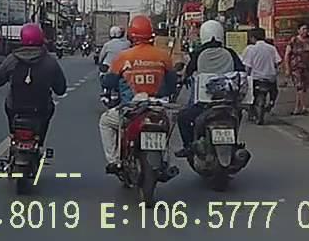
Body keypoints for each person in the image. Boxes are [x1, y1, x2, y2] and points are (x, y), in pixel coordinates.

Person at [98, 14, 177, 174]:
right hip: (157, 107)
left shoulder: (124, 57)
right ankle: (166, 161)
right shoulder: (163, 56)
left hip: (131, 109)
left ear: (131, 35)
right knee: (166, 127)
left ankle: (114, 161)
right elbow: (172, 84)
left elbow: (109, 82)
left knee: (105, 121)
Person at [174, 19, 245, 157]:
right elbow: (241, 71)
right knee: (238, 115)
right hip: (229, 102)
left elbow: (188, 72)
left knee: (183, 117)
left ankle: (189, 147)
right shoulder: (230, 53)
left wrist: (183, 79)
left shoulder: (198, 53)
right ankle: (233, 142)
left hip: (205, 103)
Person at [0, 23, 67, 139]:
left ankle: (13, 133)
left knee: (8, 104)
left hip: (15, 108)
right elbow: (60, 89)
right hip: (41, 108)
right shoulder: (49, 61)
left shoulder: (12, 59)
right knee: (49, 110)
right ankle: (40, 140)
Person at [284, 23, 309, 115]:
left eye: (306, 29)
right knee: (299, 86)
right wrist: (287, 68)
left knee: (303, 88)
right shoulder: (293, 40)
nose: (305, 31)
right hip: (296, 67)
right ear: (298, 30)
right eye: (303, 29)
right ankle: (304, 107)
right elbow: (287, 55)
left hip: (307, 67)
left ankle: (297, 108)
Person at [241, 27, 281, 105]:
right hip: (270, 78)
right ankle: (271, 102)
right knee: (274, 92)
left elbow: (247, 67)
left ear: (253, 38)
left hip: (256, 79)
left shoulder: (250, 49)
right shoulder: (272, 48)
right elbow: (278, 62)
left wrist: (246, 77)